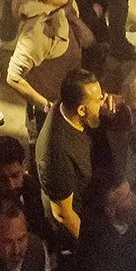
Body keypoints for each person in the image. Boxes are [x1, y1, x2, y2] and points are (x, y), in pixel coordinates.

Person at [6, 0, 92, 115]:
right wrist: (48, 107)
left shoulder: (65, 9)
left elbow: (88, 41)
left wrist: (71, 17)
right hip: (51, 111)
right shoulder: (37, 30)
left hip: (71, 99)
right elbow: (13, 77)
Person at [35, 68, 105, 245]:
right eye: (98, 101)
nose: (103, 103)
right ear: (81, 110)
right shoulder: (55, 152)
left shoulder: (68, 105)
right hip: (77, 224)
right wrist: (92, 246)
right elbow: (63, 214)